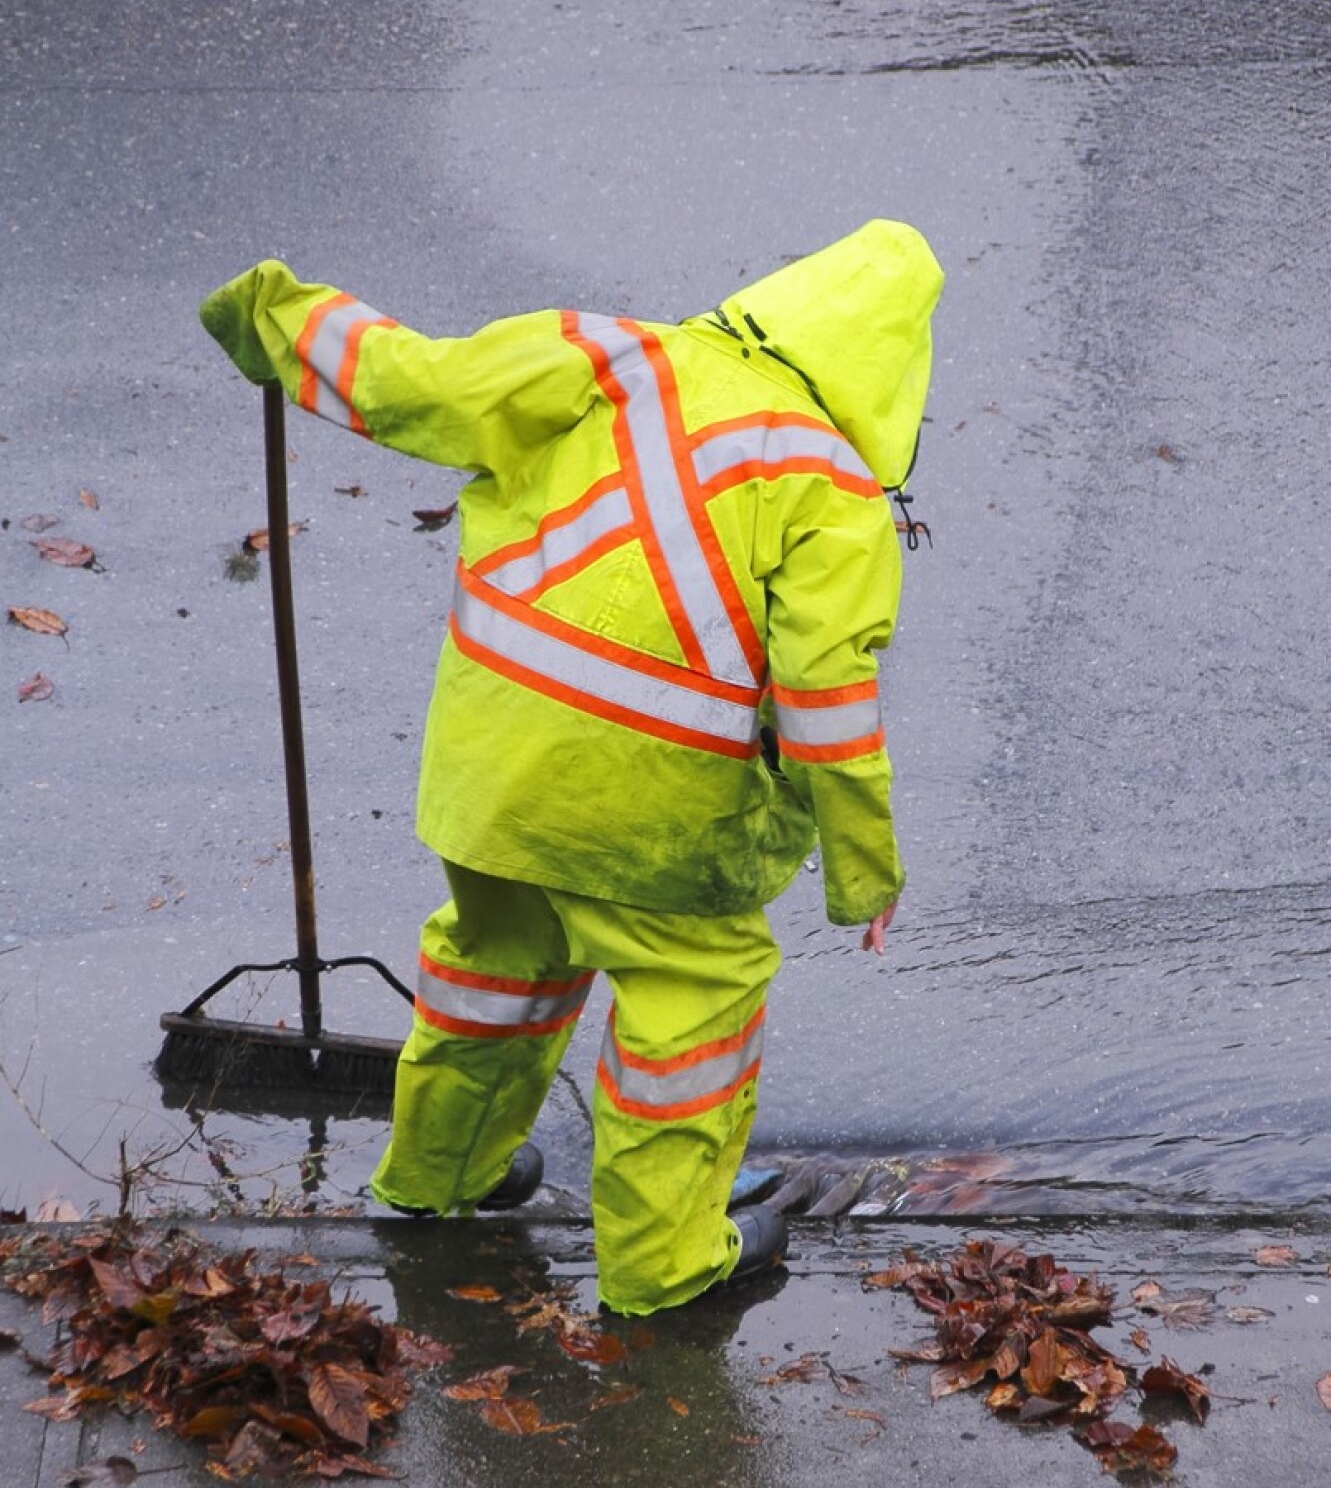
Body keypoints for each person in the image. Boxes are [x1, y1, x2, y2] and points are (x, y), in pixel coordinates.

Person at [199, 219, 944, 1316]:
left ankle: (437, 1179)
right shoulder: (831, 490)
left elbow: (412, 380)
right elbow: (824, 697)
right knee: (685, 1021)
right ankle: (664, 1255)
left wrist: (275, 315)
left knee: (494, 976)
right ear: (887, 368)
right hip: (663, 829)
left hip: (495, 780)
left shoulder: (607, 360)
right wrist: (864, 869)